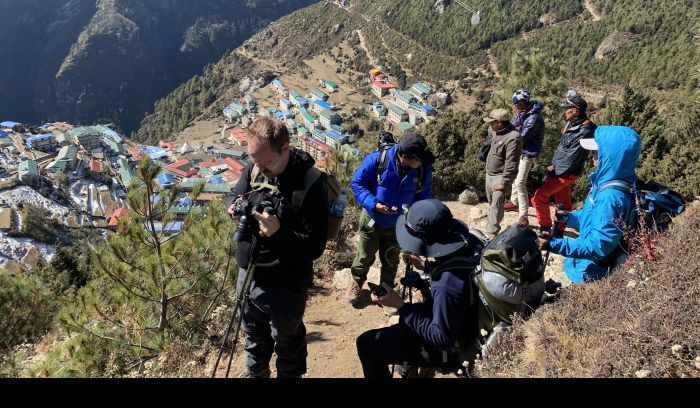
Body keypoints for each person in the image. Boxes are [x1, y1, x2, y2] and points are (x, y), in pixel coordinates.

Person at [226, 118, 328, 378]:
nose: (260, 168)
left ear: (285, 148)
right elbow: (235, 194)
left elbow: (314, 246)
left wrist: (279, 233)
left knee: (287, 342)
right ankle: (256, 373)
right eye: (255, 161)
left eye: (267, 163)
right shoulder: (255, 168)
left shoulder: (310, 183)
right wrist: (232, 206)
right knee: (253, 337)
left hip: (285, 285)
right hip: (248, 276)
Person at [355, 199, 481, 378]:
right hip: (462, 322)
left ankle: (417, 363)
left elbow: (441, 339)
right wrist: (427, 270)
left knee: (367, 344)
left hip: (449, 348)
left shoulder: (446, 283)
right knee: (404, 322)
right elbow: (460, 284)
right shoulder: (469, 244)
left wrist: (400, 305)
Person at [539, 126, 641, 283]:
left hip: (592, 272)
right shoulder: (612, 180)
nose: (592, 155)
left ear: (609, 155)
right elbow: (592, 217)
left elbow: (598, 246)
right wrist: (567, 218)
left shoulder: (610, 196)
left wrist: (554, 244)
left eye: (596, 151)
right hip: (583, 262)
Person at [347, 132, 434, 305]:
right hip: (372, 219)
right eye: (418, 160)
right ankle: (356, 282)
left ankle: (386, 291)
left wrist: (414, 224)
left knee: (391, 259)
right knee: (365, 255)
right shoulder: (378, 159)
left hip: (398, 224)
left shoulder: (423, 169)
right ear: (405, 157)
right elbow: (357, 184)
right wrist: (374, 204)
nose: (421, 163)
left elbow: (423, 198)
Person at [531, 91, 596, 233]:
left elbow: (571, 158)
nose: (564, 111)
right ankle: (560, 229)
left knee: (539, 197)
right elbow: (564, 150)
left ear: (576, 110)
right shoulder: (572, 124)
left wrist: (553, 171)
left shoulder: (584, 131)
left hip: (566, 173)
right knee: (563, 204)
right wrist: (553, 165)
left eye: (567, 108)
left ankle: (545, 227)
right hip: (562, 170)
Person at [504, 89, 545, 225]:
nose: (514, 106)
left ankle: (523, 215)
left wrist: (508, 141)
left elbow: (523, 137)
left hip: (527, 153)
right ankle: (514, 202)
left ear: (523, 103)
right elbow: (513, 126)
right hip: (520, 151)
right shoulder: (522, 113)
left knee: (520, 182)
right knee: (515, 177)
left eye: (516, 104)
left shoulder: (534, 118)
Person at [483, 108, 522, 238]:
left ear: (499, 122)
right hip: (489, 174)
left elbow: (512, 162)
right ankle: (492, 225)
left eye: (491, 122)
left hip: (500, 177)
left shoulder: (513, 137)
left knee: (497, 204)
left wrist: (504, 182)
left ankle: (491, 235)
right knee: (492, 204)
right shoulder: (495, 130)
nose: (489, 125)